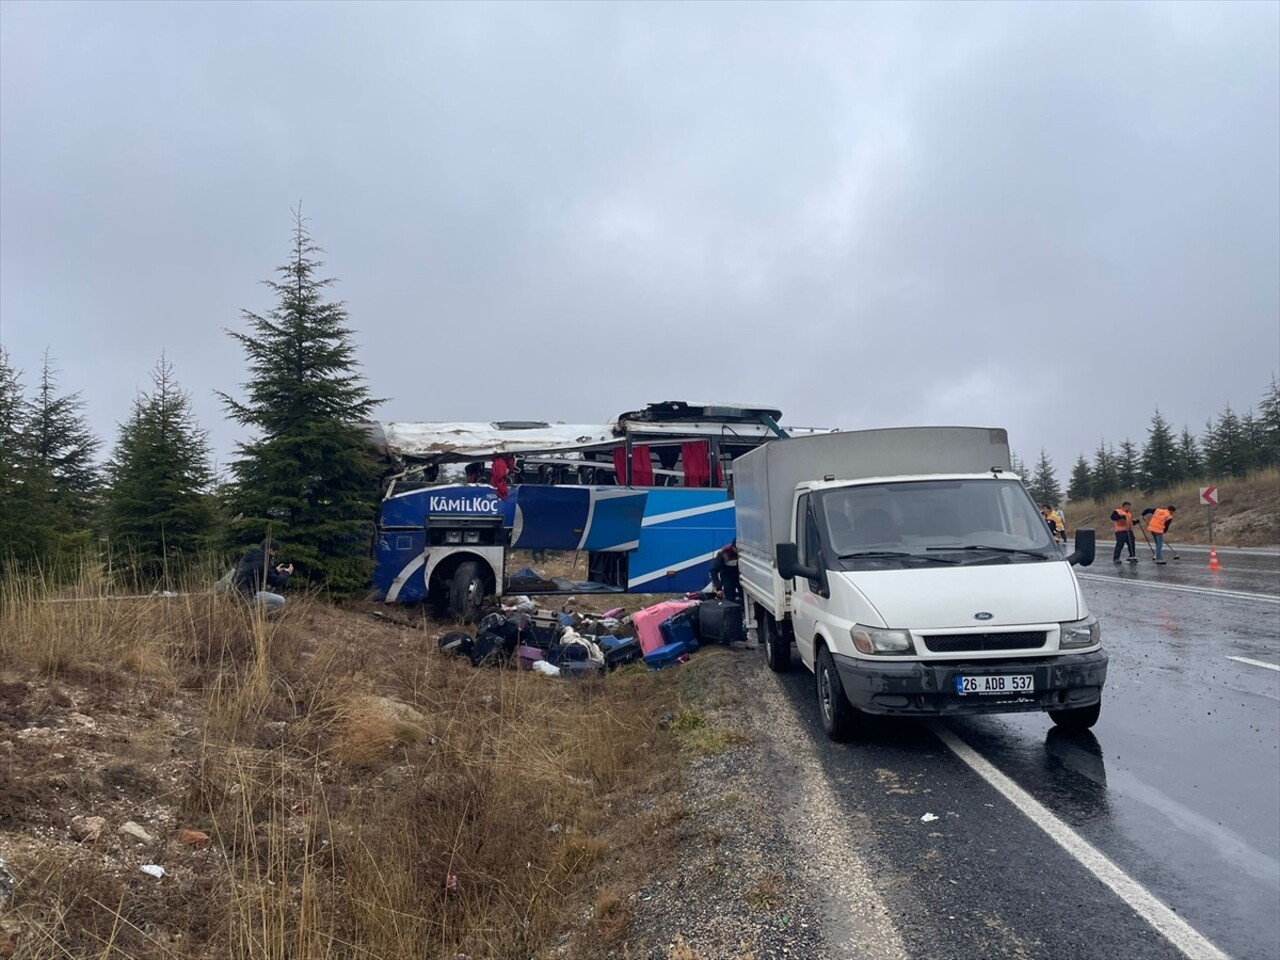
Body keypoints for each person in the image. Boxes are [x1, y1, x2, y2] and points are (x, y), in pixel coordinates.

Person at [232, 536, 293, 614]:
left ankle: (248, 612)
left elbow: (261, 573)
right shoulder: (263, 562)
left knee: (269, 589)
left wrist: (276, 571)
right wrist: (287, 573)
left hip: (235, 594)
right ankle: (256, 614)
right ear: (270, 550)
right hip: (248, 597)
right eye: (274, 552)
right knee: (281, 601)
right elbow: (276, 582)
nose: (274, 555)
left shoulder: (249, 556)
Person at [709, 540, 741, 604]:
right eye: (737, 549)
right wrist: (718, 588)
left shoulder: (743, 552)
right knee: (730, 598)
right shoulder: (724, 553)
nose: (739, 552)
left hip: (740, 576)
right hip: (727, 576)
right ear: (733, 547)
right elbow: (713, 571)